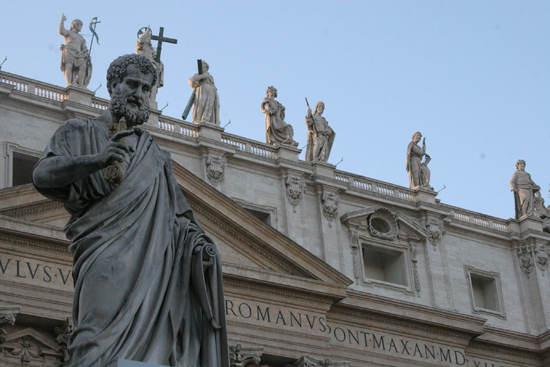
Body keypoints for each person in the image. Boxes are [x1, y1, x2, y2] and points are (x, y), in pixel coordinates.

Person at [32, 54, 228, 367]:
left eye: (146, 88)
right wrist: (97, 160)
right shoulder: (77, 132)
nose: (139, 93)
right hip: (103, 259)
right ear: (113, 85)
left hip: (154, 270)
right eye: (132, 84)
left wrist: (200, 249)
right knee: (92, 344)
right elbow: (42, 176)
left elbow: (179, 220)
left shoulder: (156, 156)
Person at [59, 14, 91, 88]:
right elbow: (61, 31)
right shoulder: (68, 33)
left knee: (83, 66)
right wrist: (62, 21)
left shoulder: (81, 38)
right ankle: (69, 83)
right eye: (80, 25)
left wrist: (86, 53)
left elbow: (84, 48)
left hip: (79, 54)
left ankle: (80, 85)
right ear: (75, 25)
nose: (81, 27)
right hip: (69, 51)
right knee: (69, 66)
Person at [136, 26, 164, 109]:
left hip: (153, 70)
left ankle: (151, 103)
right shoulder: (141, 48)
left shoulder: (151, 51)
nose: (149, 39)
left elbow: (158, 62)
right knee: (144, 86)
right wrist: (147, 33)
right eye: (147, 38)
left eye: (149, 38)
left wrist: (159, 65)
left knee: (153, 89)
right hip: (144, 69)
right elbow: (140, 41)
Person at [189, 60, 220, 125]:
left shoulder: (210, 77)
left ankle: (208, 119)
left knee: (210, 105)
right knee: (201, 104)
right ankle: (198, 119)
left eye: (205, 67)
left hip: (211, 92)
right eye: (202, 67)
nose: (204, 68)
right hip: (202, 90)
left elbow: (213, 84)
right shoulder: (197, 75)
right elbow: (192, 81)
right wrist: (202, 76)